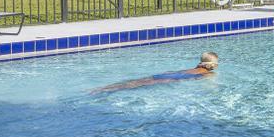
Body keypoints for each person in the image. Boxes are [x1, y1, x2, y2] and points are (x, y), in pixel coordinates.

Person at [90, 51, 218, 94]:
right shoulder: (208, 74)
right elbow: (208, 87)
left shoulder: (195, 67)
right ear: (212, 65)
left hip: (172, 73)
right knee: (141, 84)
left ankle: (102, 88)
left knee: (139, 81)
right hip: (179, 77)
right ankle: (104, 90)